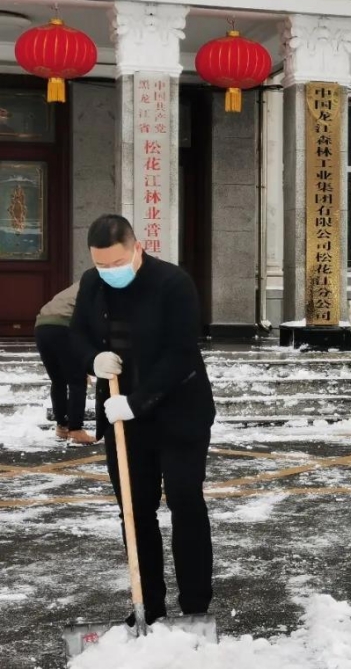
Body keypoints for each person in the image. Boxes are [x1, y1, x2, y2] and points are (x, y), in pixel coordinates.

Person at [70, 214, 216, 625]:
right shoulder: (91, 283)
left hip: (178, 414)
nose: (109, 272)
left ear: (137, 248)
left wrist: (138, 401)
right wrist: (92, 360)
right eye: (101, 265)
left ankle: (195, 608)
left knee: (185, 503)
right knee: (135, 510)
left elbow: (181, 353)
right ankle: (148, 605)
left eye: (116, 263)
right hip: (124, 420)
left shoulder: (173, 284)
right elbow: (77, 334)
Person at [34, 283, 95, 445]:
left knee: (59, 380)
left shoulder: (79, 285)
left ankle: (62, 426)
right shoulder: (99, 286)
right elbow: (93, 324)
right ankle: (76, 430)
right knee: (77, 381)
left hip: (42, 326)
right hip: (63, 326)